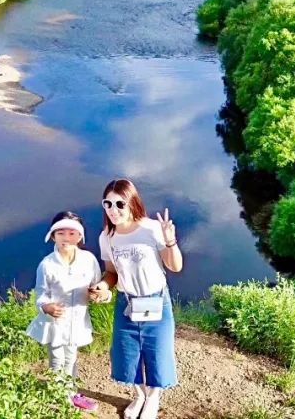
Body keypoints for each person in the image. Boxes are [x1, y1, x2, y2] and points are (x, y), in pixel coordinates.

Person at [89, 179, 182, 419]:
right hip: (127, 304)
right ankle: (139, 395)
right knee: (127, 355)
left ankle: (153, 397)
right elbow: (111, 273)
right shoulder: (106, 237)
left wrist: (170, 240)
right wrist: (102, 285)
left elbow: (175, 266)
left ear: (132, 203)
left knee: (157, 354)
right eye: (107, 203)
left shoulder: (151, 229)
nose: (113, 209)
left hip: (156, 301)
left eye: (120, 203)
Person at [26, 211, 108, 412]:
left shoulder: (89, 260)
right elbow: (41, 294)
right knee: (56, 359)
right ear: (52, 236)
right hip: (55, 324)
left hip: (77, 321)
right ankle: (58, 397)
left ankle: (70, 393)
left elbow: (98, 286)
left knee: (71, 357)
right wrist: (46, 307)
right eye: (61, 233)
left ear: (80, 237)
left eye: (72, 234)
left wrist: (98, 294)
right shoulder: (47, 265)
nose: (66, 238)